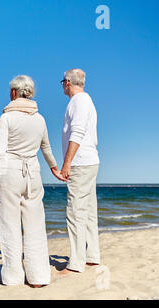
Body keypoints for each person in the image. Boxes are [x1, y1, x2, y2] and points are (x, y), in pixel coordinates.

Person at [0, 75, 65, 287]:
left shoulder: (6, 118)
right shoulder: (39, 119)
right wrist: (55, 168)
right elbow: (46, 148)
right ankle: (38, 277)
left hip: (10, 172)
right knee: (35, 226)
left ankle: (13, 277)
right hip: (33, 173)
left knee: (9, 225)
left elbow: (0, 151)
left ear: (14, 93)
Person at [59, 68, 100, 274]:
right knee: (88, 210)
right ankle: (92, 256)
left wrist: (67, 163)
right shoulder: (84, 101)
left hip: (81, 163)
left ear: (67, 82)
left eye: (62, 82)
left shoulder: (79, 102)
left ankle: (76, 262)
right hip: (89, 161)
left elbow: (77, 133)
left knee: (75, 211)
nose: (62, 86)